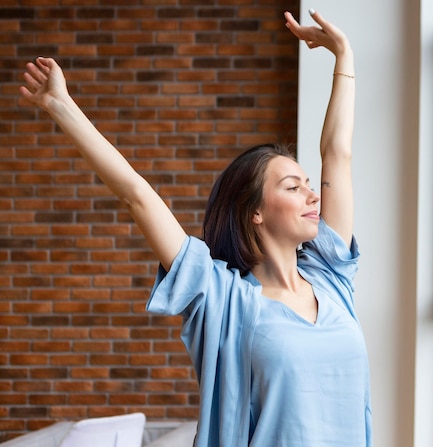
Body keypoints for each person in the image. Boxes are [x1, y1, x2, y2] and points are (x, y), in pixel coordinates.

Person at [20, 9, 372, 447]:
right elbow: (136, 194)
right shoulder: (220, 296)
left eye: (309, 185)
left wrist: (344, 55)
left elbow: (337, 152)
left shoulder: (332, 278)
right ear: (255, 213)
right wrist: (61, 106)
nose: (313, 194)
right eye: (293, 186)